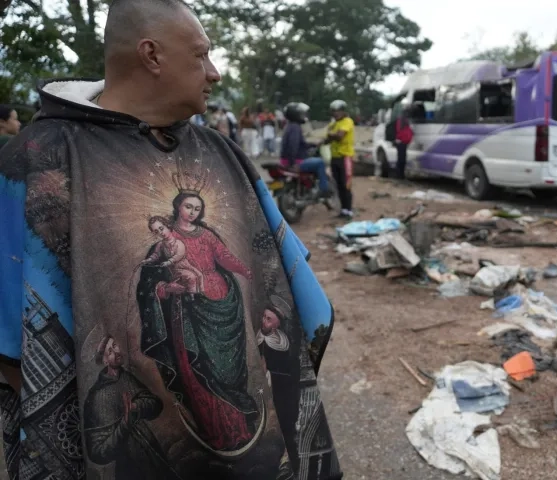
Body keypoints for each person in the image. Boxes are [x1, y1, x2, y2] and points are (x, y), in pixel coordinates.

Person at [0, 1, 340, 479]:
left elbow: (282, 280)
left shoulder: (222, 152)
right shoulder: (37, 160)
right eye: (201, 55)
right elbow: (11, 347)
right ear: (151, 55)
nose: (215, 72)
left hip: (222, 343)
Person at [83, 335, 180, 480]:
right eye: (109, 352)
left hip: (153, 455)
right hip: (131, 468)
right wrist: (125, 424)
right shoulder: (98, 397)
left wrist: (137, 406)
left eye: (115, 345)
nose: (116, 352)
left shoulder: (125, 377)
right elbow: (98, 452)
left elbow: (155, 404)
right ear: (104, 361)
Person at [142, 215, 205, 295]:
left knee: (199, 275)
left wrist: (169, 261)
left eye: (161, 228)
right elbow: (156, 255)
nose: (160, 232)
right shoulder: (160, 245)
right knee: (191, 277)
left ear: (167, 226)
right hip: (174, 269)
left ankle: (200, 293)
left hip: (184, 265)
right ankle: (191, 295)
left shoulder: (178, 243)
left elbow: (179, 255)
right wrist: (149, 260)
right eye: (156, 232)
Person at [279, 102, 330, 197]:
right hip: (295, 162)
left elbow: (300, 144)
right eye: (301, 113)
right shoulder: (295, 127)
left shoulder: (290, 126)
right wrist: (293, 163)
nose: (303, 116)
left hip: (287, 160)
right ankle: (324, 190)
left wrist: (313, 144)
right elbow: (292, 146)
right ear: (295, 115)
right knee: (320, 162)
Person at [324, 99, 355, 218]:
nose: (336, 113)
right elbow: (328, 138)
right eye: (334, 111)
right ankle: (343, 210)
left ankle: (349, 210)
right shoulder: (333, 124)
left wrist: (331, 135)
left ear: (343, 111)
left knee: (345, 184)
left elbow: (339, 136)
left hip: (345, 157)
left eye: (338, 111)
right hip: (335, 157)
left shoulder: (347, 121)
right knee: (337, 184)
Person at [394, 109, 413, 180]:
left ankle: (399, 175)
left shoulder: (400, 121)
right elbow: (405, 132)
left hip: (400, 142)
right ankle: (400, 175)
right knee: (402, 159)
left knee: (400, 159)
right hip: (403, 142)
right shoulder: (404, 122)